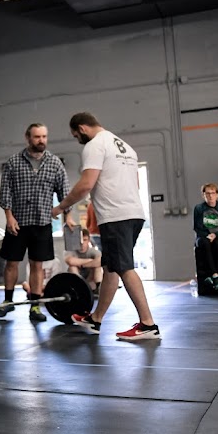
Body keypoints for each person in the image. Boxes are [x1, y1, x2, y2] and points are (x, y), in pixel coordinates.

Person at [53, 112, 160, 340]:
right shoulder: (125, 147)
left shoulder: (95, 145)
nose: (77, 140)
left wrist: (61, 207)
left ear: (82, 128)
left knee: (123, 267)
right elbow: (135, 183)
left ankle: (148, 324)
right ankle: (96, 318)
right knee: (111, 267)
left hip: (116, 216)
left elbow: (85, 185)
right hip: (133, 213)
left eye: (75, 136)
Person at [0, 123, 74, 323]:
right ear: (28, 138)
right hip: (18, 222)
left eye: (44, 136)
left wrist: (69, 216)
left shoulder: (55, 163)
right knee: (11, 263)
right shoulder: (14, 162)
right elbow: (5, 192)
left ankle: (35, 306)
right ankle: (7, 302)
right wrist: (9, 217)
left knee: (37, 265)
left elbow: (65, 192)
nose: (41, 140)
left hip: (42, 223)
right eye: (37, 136)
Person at [193, 183, 218, 290]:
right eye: (207, 193)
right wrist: (207, 235)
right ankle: (215, 275)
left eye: (213, 193)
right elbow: (197, 227)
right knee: (205, 243)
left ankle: (214, 275)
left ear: (217, 195)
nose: (210, 196)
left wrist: (216, 234)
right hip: (203, 236)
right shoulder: (199, 208)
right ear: (203, 195)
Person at [64, 227, 103, 293]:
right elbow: (70, 261)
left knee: (97, 267)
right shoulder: (71, 250)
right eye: (80, 240)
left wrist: (83, 265)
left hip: (90, 279)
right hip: (77, 280)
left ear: (88, 240)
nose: (82, 243)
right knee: (72, 267)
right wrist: (91, 261)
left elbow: (101, 261)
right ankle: (78, 288)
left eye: (85, 240)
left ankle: (98, 288)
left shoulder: (93, 251)